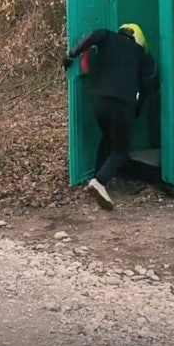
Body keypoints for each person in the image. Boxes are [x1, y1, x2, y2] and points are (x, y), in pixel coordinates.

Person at [63, 23, 158, 210]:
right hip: (122, 104)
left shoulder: (107, 36)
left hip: (99, 101)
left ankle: (95, 179)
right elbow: (147, 88)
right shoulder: (141, 54)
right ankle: (100, 181)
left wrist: (70, 54)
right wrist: (137, 111)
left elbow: (91, 35)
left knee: (107, 138)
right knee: (120, 151)